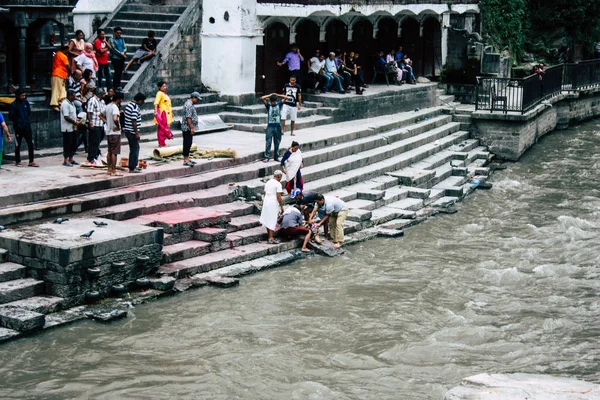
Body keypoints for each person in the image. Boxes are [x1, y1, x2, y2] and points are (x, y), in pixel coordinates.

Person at [9, 89, 37, 167]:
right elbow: (11, 117)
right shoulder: (13, 104)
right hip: (18, 128)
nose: (24, 97)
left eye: (25, 95)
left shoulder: (26, 102)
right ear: (18, 95)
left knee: (31, 143)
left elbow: (29, 113)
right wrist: (18, 122)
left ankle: (31, 161)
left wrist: (26, 122)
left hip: (27, 127)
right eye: (22, 95)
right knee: (18, 144)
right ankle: (18, 161)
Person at [259, 170, 284, 244]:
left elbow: (265, 193)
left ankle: (270, 237)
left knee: (267, 219)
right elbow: (278, 196)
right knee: (272, 220)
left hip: (266, 200)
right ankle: (271, 238)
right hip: (272, 202)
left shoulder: (268, 182)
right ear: (279, 177)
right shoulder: (278, 184)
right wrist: (281, 206)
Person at [260, 93, 287, 162]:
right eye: (271, 101)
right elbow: (262, 98)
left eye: (273, 101)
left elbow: (286, 97)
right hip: (270, 127)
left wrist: (277, 95)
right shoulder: (268, 106)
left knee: (277, 142)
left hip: (278, 126)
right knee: (268, 142)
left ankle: (276, 156)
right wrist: (270, 95)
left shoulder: (279, 105)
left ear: (276, 101)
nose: (272, 103)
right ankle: (267, 157)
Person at [123, 92, 146, 173]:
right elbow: (134, 121)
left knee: (133, 148)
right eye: (142, 101)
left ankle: (133, 166)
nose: (143, 103)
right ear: (139, 101)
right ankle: (132, 167)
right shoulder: (135, 107)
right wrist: (137, 133)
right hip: (132, 131)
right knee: (135, 149)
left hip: (128, 130)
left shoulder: (129, 105)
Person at [60, 90, 82, 167]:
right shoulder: (65, 104)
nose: (75, 97)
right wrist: (74, 121)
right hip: (67, 127)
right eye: (73, 96)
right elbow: (66, 116)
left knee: (74, 143)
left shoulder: (72, 103)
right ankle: (65, 160)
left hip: (73, 127)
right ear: (69, 96)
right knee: (67, 144)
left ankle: (71, 158)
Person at [180, 91, 201, 167]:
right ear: (193, 98)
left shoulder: (190, 104)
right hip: (187, 128)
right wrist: (192, 127)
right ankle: (185, 160)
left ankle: (187, 158)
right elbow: (188, 117)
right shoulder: (189, 105)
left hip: (189, 127)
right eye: (197, 99)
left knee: (189, 143)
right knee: (187, 143)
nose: (197, 101)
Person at [85, 87, 106, 166]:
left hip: (100, 123)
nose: (103, 95)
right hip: (94, 123)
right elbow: (89, 112)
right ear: (99, 94)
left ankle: (95, 155)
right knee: (93, 141)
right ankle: (90, 158)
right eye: (102, 94)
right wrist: (90, 122)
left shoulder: (102, 101)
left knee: (97, 141)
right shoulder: (92, 100)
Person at [105, 92, 123, 176]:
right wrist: (118, 126)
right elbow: (115, 118)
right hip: (114, 132)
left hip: (109, 132)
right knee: (114, 152)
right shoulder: (115, 107)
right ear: (119, 99)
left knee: (109, 151)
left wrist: (107, 122)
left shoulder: (108, 106)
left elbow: (100, 115)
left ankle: (109, 169)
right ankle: (113, 170)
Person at [50, 45, 70, 111]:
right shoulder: (62, 56)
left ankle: (61, 103)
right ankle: (54, 104)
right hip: (58, 74)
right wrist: (71, 72)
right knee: (56, 89)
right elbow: (67, 66)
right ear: (66, 49)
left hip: (62, 75)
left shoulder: (58, 54)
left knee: (62, 90)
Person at [154, 80, 173, 147]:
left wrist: (171, 113)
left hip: (167, 113)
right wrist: (156, 111)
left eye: (165, 86)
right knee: (162, 128)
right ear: (159, 87)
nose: (165, 87)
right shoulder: (159, 93)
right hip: (163, 113)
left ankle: (162, 142)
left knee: (164, 127)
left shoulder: (164, 94)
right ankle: (161, 143)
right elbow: (156, 102)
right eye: (163, 86)